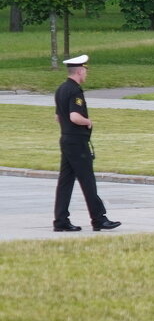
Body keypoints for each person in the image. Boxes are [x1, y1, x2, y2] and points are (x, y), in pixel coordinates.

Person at [52, 54, 121, 232]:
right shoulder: (75, 91)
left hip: (66, 139)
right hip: (77, 142)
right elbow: (74, 116)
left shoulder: (61, 89)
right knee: (87, 180)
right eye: (85, 71)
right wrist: (88, 122)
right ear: (80, 71)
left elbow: (58, 117)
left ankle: (60, 220)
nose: (86, 75)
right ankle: (99, 219)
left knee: (65, 181)